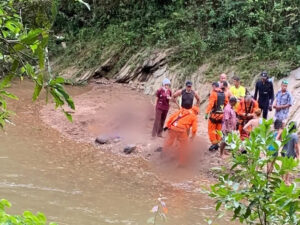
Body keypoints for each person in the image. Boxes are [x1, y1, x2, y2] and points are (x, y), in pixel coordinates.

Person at [205, 82, 228, 151]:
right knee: (218, 129)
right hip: (221, 115)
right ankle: (217, 143)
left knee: (211, 129)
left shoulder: (213, 94)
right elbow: (226, 104)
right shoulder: (224, 94)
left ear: (214, 86)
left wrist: (206, 113)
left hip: (214, 115)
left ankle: (214, 143)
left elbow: (211, 104)